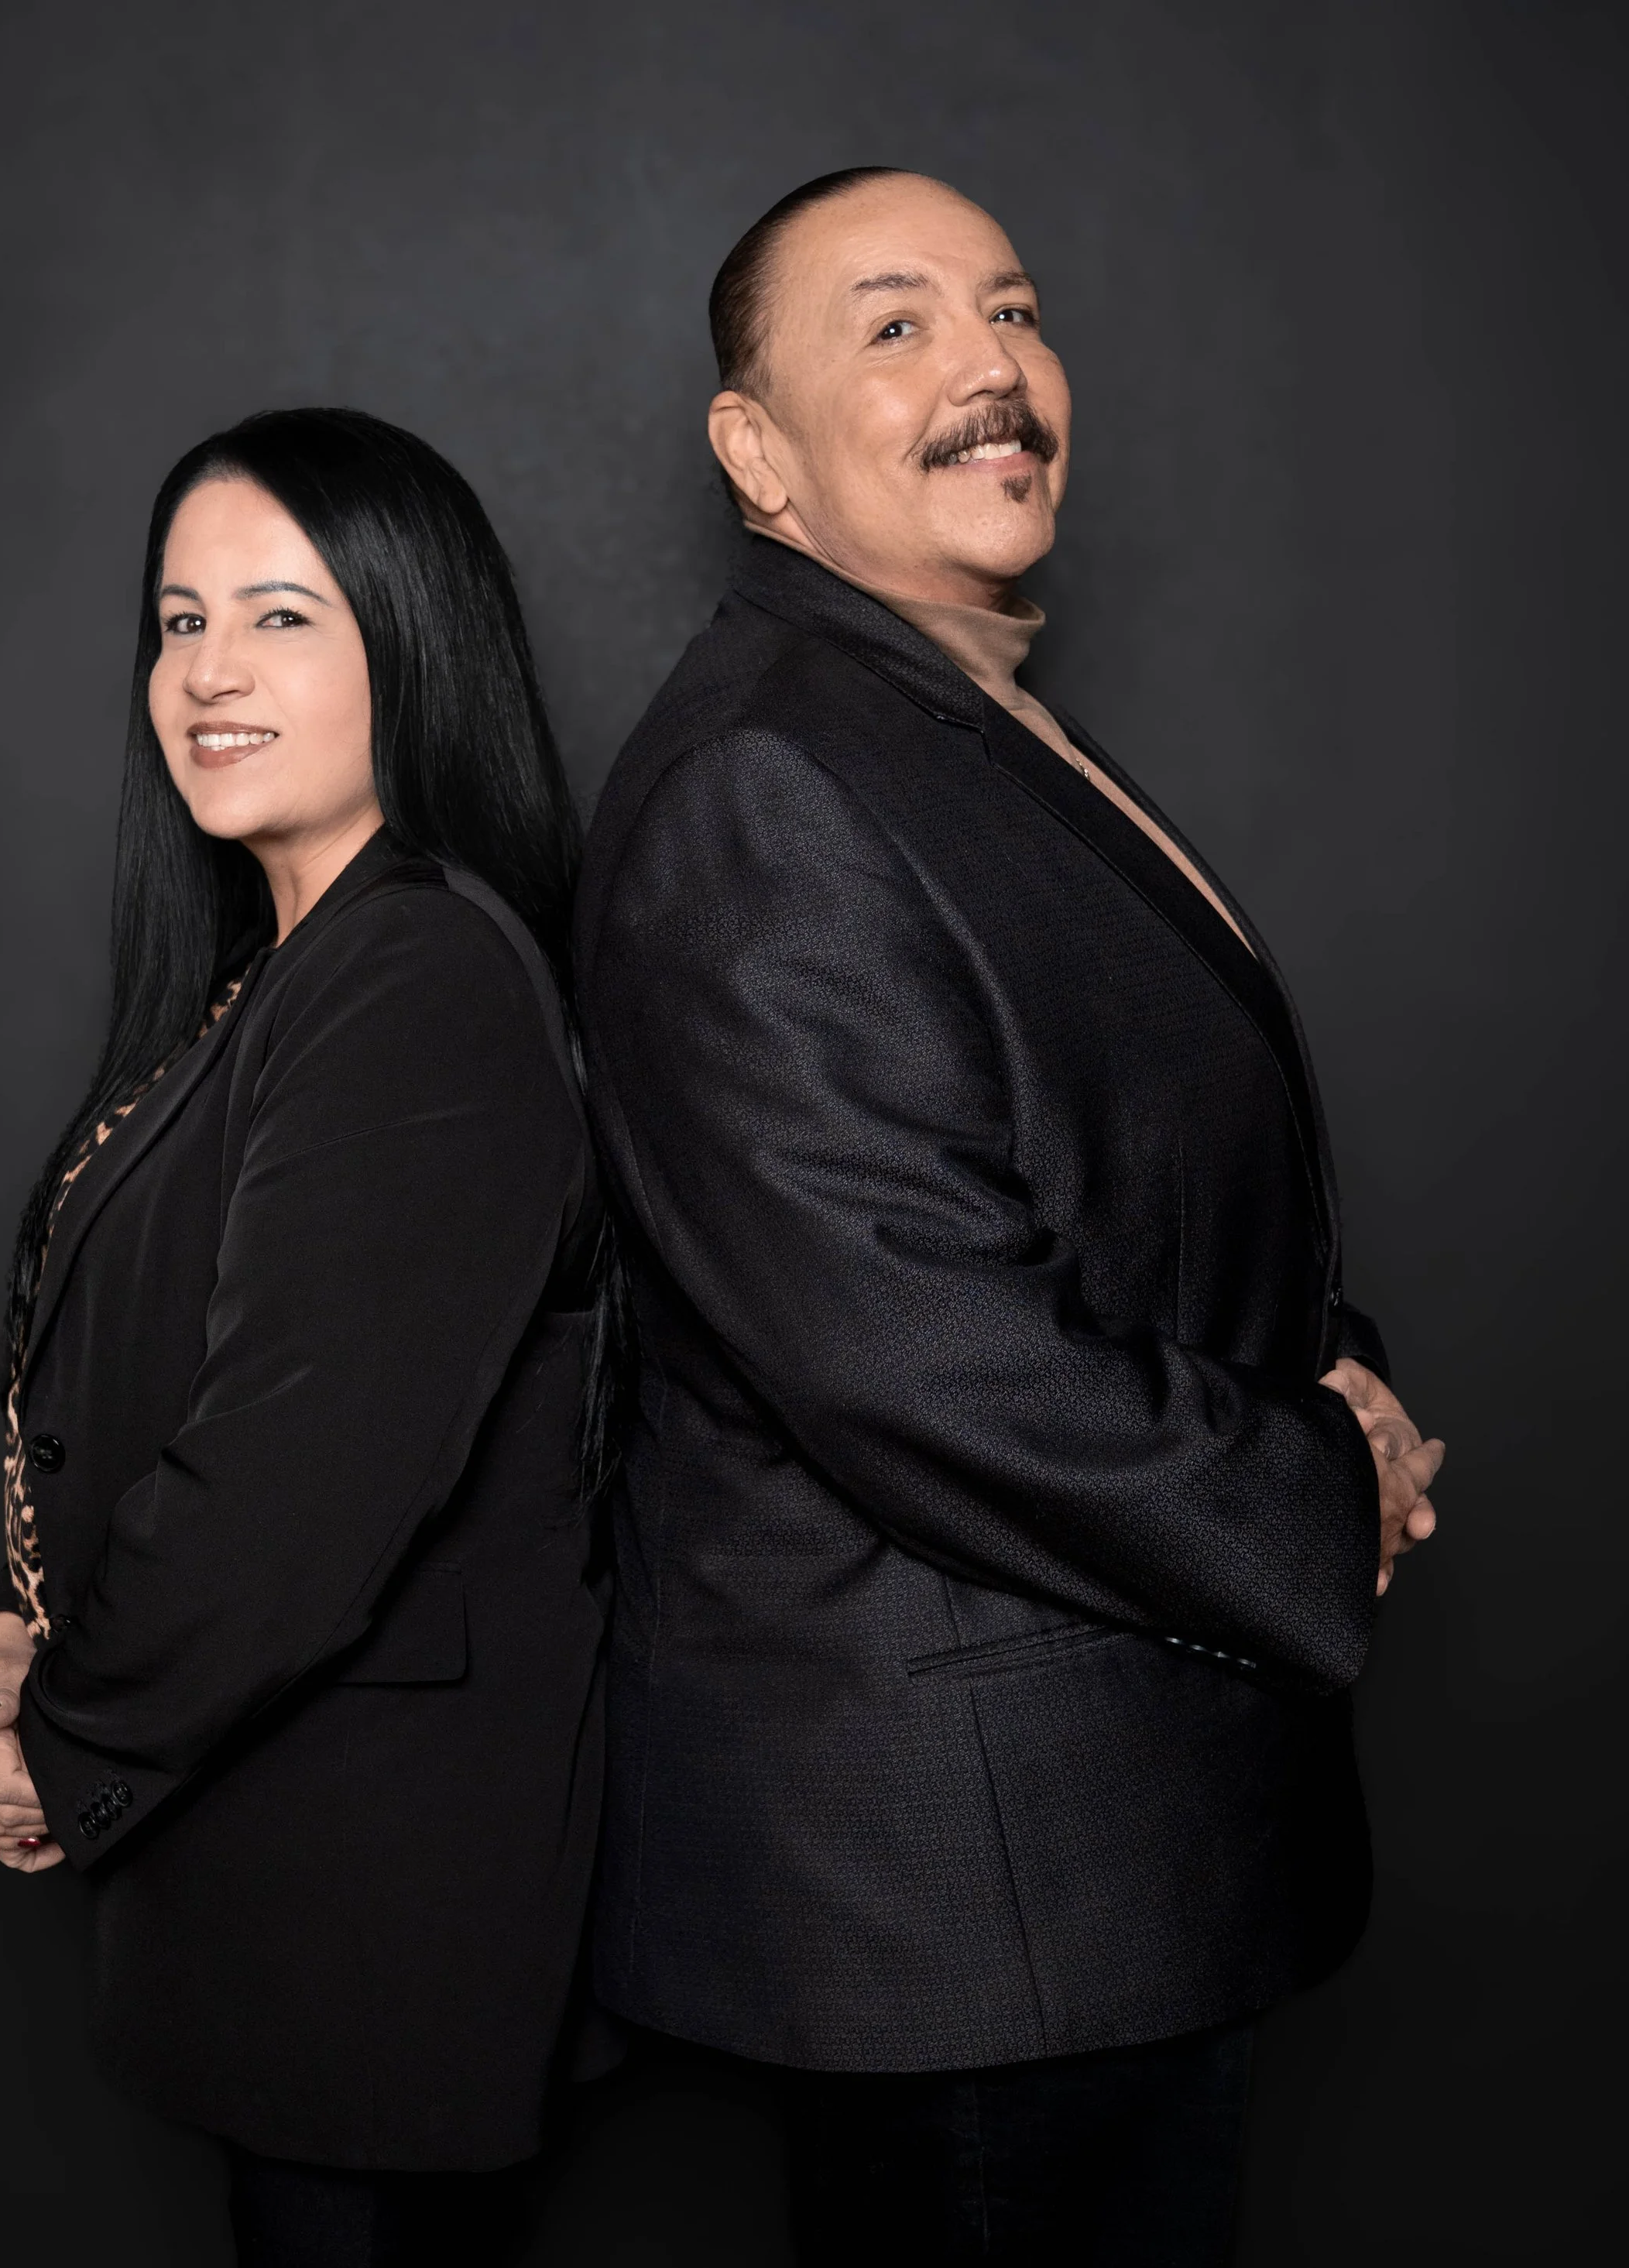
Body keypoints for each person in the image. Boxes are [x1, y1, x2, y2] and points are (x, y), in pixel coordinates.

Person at [573, 169, 1443, 2264]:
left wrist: (1344, 1374)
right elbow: (911, 1349)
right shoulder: (760, 786)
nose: (989, 368)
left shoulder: (954, 725)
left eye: (1014, 310)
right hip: (969, 1909)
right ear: (752, 455)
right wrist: (1320, 1473)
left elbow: (1137, 1193)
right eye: (892, 326)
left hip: (1092, 1871)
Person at [0, 407, 609, 2266]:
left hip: (373, 1911)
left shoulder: (417, 981)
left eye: (280, 617)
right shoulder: (279, 971)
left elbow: (292, 1489)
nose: (208, 674)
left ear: (415, 644)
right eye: (175, 622)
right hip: (285, 1879)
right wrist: (21, 1624)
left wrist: (61, 1733)